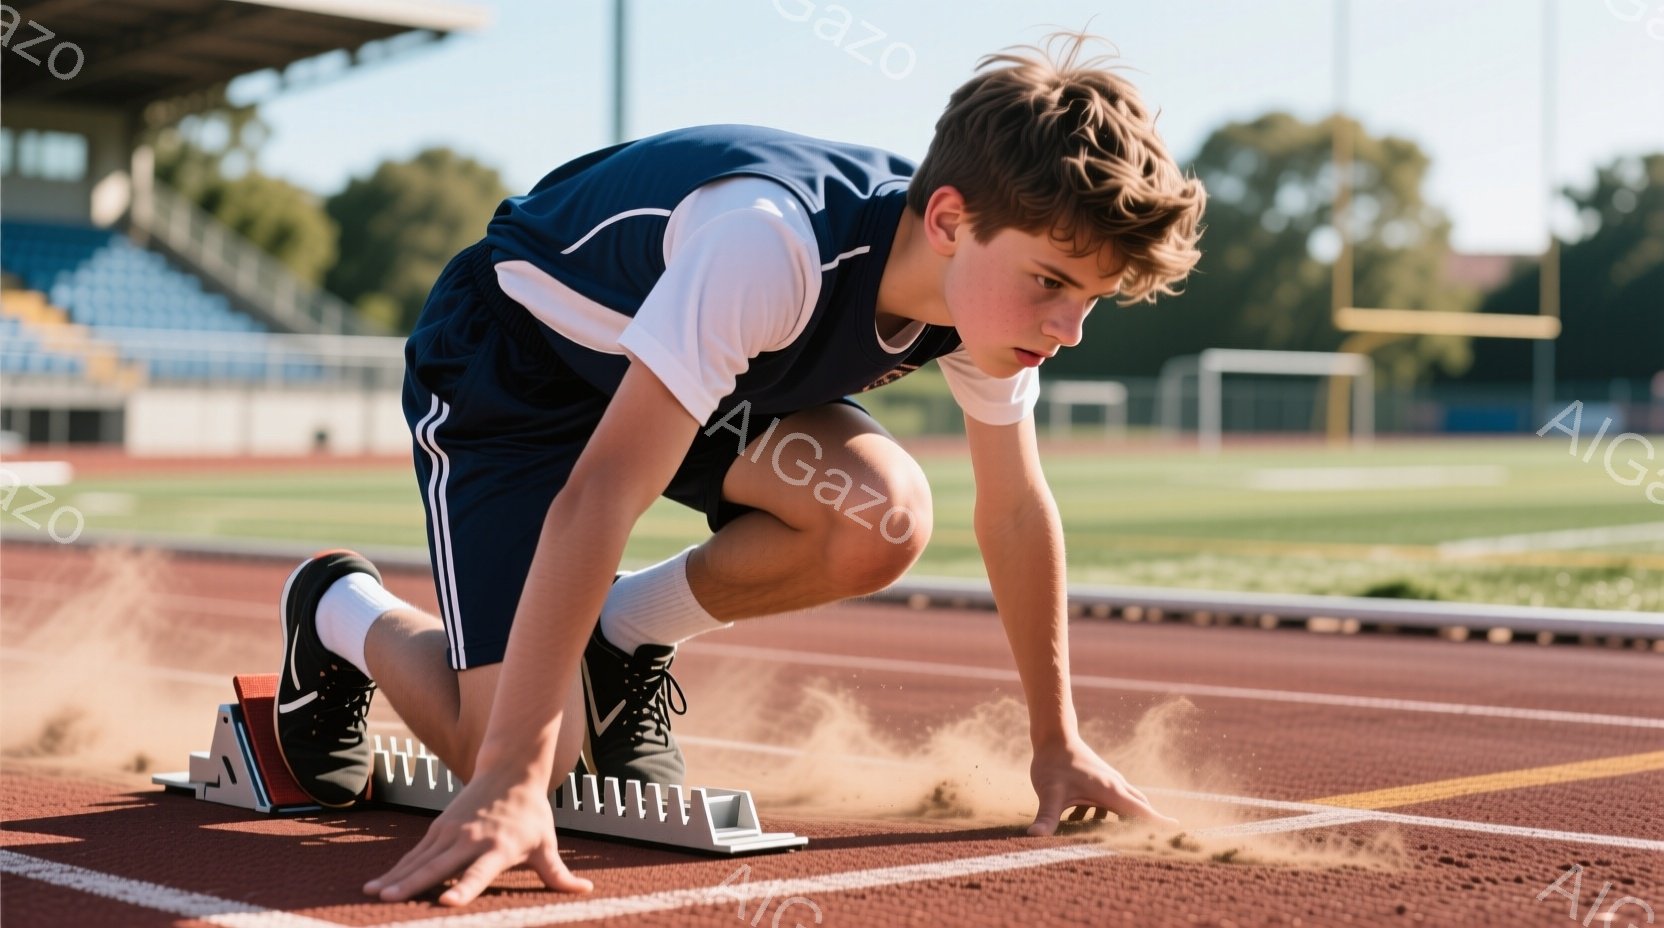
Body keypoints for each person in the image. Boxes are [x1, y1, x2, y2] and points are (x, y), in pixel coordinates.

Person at [271, 31, 1204, 906]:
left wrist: (1057, 741)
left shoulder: (983, 290)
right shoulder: (771, 244)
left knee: (882, 517)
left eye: (1092, 299)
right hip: (516, 365)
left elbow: (1014, 509)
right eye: (1052, 283)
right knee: (530, 761)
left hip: (699, 377)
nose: (1067, 329)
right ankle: (337, 608)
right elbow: (601, 495)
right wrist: (511, 778)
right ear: (950, 220)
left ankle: (622, 636)